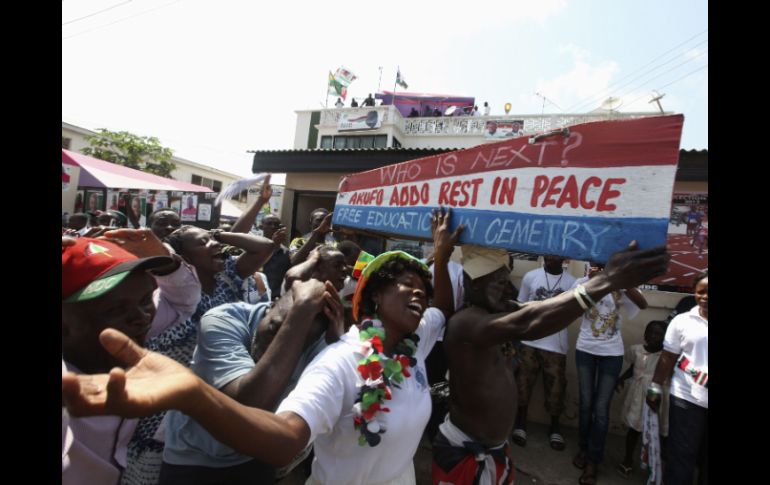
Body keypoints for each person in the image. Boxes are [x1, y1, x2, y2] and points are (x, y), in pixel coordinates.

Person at [63, 208, 463, 485]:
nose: (138, 316)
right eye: (311, 273)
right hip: (196, 465)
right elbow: (259, 409)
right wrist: (303, 311)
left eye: (339, 273)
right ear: (285, 283)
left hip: (253, 465)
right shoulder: (232, 318)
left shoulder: (333, 336)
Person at [432, 243, 668, 485]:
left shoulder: (495, 311)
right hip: (464, 456)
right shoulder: (466, 323)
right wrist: (607, 280)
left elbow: (537, 308)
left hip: (493, 451)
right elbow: (529, 322)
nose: (510, 290)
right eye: (501, 283)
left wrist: (608, 281)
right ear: (474, 285)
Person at [122, 226, 280, 485]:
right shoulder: (167, 293)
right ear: (183, 258)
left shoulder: (229, 276)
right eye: (202, 243)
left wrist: (218, 237)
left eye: (212, 240)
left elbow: (264, 246)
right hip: (170, 399)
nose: (213, 245)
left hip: (223, 388)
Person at [158, 279, 344, 484]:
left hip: (257, 456)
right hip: (195, 458)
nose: (275, 347)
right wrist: (302, 309)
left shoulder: (319, 341)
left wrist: (336, 345)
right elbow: (246, 406)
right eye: (276, 328)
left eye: (295, 344)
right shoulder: (223, 319)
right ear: (270, 305)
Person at [62, 230, 202, 485]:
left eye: (147, 299)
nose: (142, 317)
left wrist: (166, 261)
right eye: (115, 309)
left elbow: (183, 303)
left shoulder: (130, 333)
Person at [571, 262, 649, 485]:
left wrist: (619, 280)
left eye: (605, 265)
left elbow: (643, 304)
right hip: (585, 350)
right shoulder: (582, 283)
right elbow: (574, 309)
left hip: (611, 354)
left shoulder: (622, 285)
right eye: (596, 265)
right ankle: (584, 449)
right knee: (586, 404)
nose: (600, 268)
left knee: (601, 409)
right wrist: (595, 282)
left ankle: (593, 461)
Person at [647, 272, 707, 485]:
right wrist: (655, 386)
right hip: (685, 397)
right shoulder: (682, 320)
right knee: (681, 455)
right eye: (701, 292)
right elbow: (668, 357)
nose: (705, 296)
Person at [511, 255, 577, 451]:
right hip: (529, 340)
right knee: (523, 384)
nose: (550, 257)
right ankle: (520, 423)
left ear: (564, 258)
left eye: (556, 254)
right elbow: (520, 305)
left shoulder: (572, 282)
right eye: (548, 253)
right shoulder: (531, 276)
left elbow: (573, 312)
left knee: (556, 388)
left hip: (556, 345)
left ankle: (555, 427)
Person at [614, 320, 669, 478]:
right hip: (638, 396)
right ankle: (627, 460)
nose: (653, 336)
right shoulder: (636, 350)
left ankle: (657, 465)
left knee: (659, 433)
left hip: (658, 397)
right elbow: (633, 369)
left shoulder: (666, 356)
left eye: (658, 334)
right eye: (650, 332)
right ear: (645, 334)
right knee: (634, 429)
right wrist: (621, 379)